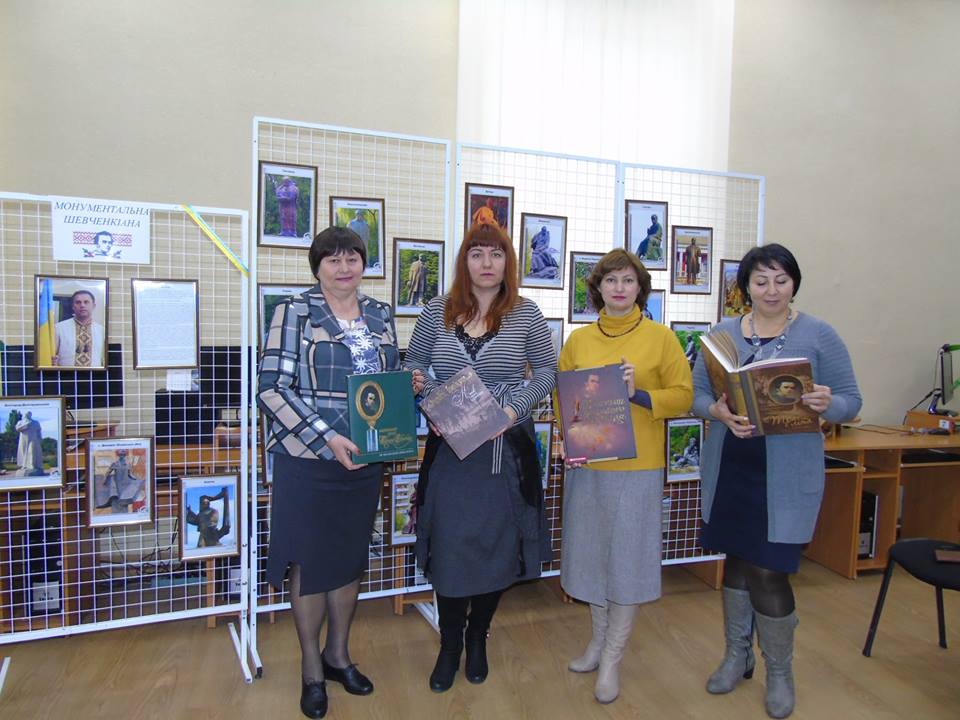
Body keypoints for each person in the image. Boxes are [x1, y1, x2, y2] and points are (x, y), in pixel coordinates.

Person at [692, 244, 861, 719]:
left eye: (781, 280)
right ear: (746, 286)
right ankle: (736, 655)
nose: (771, 290)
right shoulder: (723, 334)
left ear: (794, 284)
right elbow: (697, 395)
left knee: (769, 570)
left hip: (786, 475)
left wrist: (828, 403)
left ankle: (780, 671)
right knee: (737, 562)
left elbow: (852, 401)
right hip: (732, 467)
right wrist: (716, 410)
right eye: (761, 281)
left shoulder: (819, 334)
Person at [258, 226, 415, 719]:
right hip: (308, 460)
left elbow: (382, 383)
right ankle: (311, 669)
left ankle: (338, 656)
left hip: (364, 459)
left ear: (363, 264)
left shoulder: (380, 314)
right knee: (308, 564)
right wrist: (326, 435)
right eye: (333, 259)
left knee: (349, 559)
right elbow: (271, 388)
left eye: (352, 258)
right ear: (318, 266)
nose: (344, 267)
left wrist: (406, 383)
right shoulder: (293, 311)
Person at [403, 222, 556, 693]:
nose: (487, 263)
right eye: (477, 253)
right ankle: (450, 643)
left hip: (504, 449)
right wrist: (421, 393)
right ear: (464, 261)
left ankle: (477, 636)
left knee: (495, 546)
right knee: (450, 546)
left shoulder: (526, 314)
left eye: (496, 253)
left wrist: (513, 410)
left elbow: (546, 371)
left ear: (508, 261)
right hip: (450, 448)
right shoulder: (437, 310)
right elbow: (413, 363)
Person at [558, 248, 693, 704]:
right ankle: (597, 644)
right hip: (590, 465)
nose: (619, 288)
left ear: (640, 289)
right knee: (591, 555)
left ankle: (613, 658)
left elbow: (684, 396)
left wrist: (639, 394)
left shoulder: (661, 338)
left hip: (639, 466)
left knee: (629, 560)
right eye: (611, 280)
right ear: (598, 288)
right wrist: (567, 435)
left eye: (628, 280)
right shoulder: (578, 340)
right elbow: (563, 396)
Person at [53, 289, 105, 368]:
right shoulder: (58, 328)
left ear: (93, 306)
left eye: (86, 302)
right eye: (78, 302)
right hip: (66, 375)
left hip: (94, 375)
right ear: (73, 306)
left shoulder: (102, 331)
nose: (82, 305)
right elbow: (52, 357)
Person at [96, 449, 146, 513]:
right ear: (119, 456)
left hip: (124, 484)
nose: (122, 456)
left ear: (124, 456)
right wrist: (104, 480)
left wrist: (136, 480)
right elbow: (108, 472)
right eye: (120, 455)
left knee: (124, 498)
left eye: (123, 455)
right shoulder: (115, 464)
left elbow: (130, 474)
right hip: (117, 483)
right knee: (116, 498)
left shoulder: (127, 464)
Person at [15, 411, 45, 476]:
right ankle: (24, 465)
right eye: (26, 414)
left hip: (33, 439)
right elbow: (17, 428)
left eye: (28, 414)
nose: (27, 415)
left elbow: (39, 430)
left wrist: (40, 438)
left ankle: (32, 465)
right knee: (24, 452)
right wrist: (25, 425)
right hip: (23, 439)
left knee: (32, 451)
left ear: (30, 415)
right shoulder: (20, 422)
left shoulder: (35, 422)